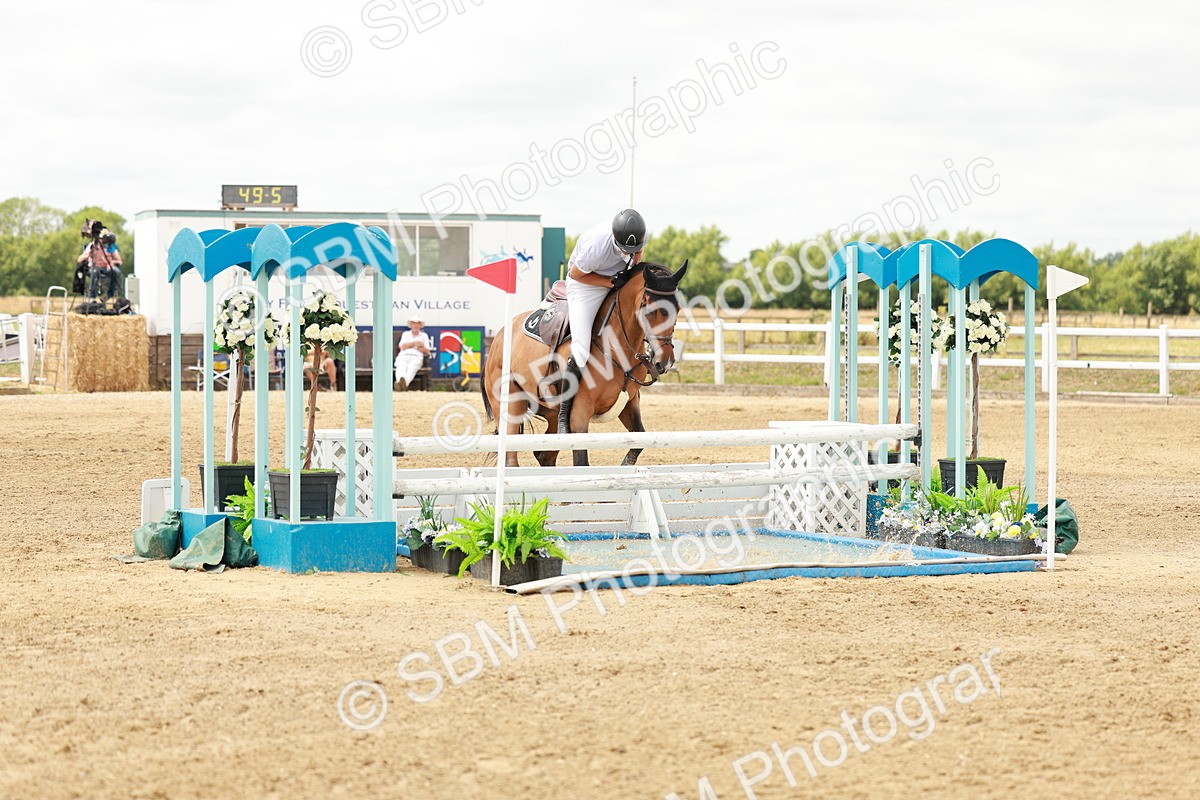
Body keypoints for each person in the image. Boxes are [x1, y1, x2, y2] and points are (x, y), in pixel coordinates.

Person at [559, 208, 646, 432]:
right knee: (580, 347)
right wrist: (609, 283)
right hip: (584, 285)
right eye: (625, 249)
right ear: (615, 239)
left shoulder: (638, 235)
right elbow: (577, 275)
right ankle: (563, 412)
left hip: (617, 278)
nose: (630, 252)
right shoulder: (595, 246)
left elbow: (638, 254)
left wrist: (629, 273)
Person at [78, 229, 123, 300]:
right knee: (95, 271)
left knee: (116, 272)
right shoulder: (92, 245)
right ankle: (92, 297)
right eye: (101, 239)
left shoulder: (111, 246)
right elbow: (79, 259)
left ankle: (108, 295)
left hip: (107, 269)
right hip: (94, 268)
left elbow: (119, 261)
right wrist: (88, 255)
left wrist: (112, 262)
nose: (103, 241)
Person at [394, 315, 432, 389]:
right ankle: (402, 383)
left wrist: (411, 345)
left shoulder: (424, 336)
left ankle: (401, 384)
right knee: (400, 367)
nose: (416, 326)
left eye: (418, 324)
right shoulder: (405, 334)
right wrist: (416, 344)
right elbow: (402, 347)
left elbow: (427, 351)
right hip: (403, 356)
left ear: (420, 325)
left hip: (416, 357)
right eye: (414, 323)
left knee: (412, 368)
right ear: (411, 325)